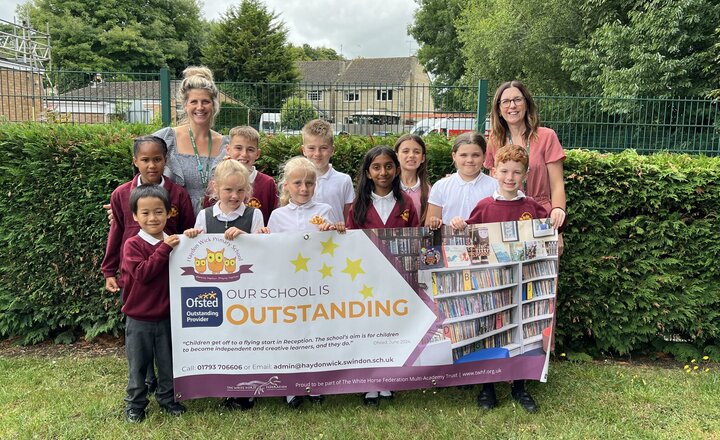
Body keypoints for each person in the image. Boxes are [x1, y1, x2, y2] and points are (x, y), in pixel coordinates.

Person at [453, 144, 565, 414]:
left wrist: (556, 216)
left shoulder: (532, 207)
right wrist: (460, 225)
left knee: (522, 332)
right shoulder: (484, 206)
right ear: (494, 171)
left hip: (523, 284)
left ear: (525, 174)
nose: (510, 177)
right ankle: (487, 386)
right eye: (504, 171)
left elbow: (548, 229)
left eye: (517, 172)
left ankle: (520, 386)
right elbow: (471, 237)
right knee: (490, 332)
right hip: (492, 286)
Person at [101, 135, 194, 395]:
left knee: (164, 335)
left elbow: (188, 232)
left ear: (166, 161)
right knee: (140, 333)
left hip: (168, 278)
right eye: (145, 160)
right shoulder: (121, 194)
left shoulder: (178, 194)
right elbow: (116, 232)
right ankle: (146, 382)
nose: (152, 165)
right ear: (135, 161)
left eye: (157, 159)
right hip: (136, 275)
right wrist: (109, 269)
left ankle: (165, 387)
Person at [263, 156, 344, 408]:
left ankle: (316, 383)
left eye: (309, 183)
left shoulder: (324, 212)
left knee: (316, 332)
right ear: (286, 185)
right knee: (291, 333)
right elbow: (269, 251)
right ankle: (291, 386)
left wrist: (337, 231)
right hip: (288, 286)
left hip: (317, 284)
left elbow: (335, 246)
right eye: (297, 182)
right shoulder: (277, 215)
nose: (304, 188)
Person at [184, 159, 263, 411]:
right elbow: (194, 253)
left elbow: (263, 251)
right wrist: (190, 238)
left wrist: (247, 239)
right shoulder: (204, 216)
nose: (235, 195)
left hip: (247, 291)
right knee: (223, 340)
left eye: (241, 190)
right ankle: (225, 387)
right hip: (217, 292)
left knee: (246, 340)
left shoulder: (254, 214)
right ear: (215, 189)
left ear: (248, 191)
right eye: (228, 190)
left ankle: (247, 392)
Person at [346, 146, 418, 405]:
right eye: (376, 167)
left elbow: (414, 238)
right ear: (368, 172)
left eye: (388, 166)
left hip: (397, 280)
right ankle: (369, 383)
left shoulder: (406, 203)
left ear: (397, 169)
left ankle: (387, 380)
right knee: (369, 329)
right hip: (367, 281)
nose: (383, 172)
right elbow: (350, 244)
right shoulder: (358, 206)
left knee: (391, 329)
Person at [120, 184, 187, 423]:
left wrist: (189, 240)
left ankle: (168, 399)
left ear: (168, 213)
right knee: (138, 367)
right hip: (139, 319)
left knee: (169, 363)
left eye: (159, 211)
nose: (152, 218)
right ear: (135, 216)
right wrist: (164, 249)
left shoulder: (176, 242)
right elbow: (142, 274)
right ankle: (135, 405)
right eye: (145, 213)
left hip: (168, 317)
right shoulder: (132, 245)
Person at [485, 80, 567, 253]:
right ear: (499, 108)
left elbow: (557, 185)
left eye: (517, 100)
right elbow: (490, 184)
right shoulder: (494, 140)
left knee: (541, 278)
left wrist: (557, 228)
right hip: (505, 218)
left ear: (527, 104)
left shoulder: (547, 136)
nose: (512, 106)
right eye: (506, 101)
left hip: (541, 217)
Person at [154, 66, 228, 215]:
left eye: (205, 101)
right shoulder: (166, 139)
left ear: (213, 105)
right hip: (172, 219)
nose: (200, 107)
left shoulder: (226, 145)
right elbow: (141, 175)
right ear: (185, 105)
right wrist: (125, 205)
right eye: (194, 101)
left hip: (214, 222)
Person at [425, 132, 497, 228]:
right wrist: (434, 223)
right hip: (450, 242)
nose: (469, 160)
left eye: (475, 155)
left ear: (484, 156)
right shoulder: (441, 186)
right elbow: (429, 224)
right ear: (454, 156)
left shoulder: (495, 186)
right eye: (463, 155)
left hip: (484, 240)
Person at [211, 125, 278, 225]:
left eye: (250, 149)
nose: (244, 154)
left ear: (258, 153)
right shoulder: (218, 181)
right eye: (238, 148)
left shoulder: (267, 183)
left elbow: (274, 219)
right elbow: (209, 217)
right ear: (228, 149)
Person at [301, 119, 354, 223]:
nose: (317, 154)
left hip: (335, 238)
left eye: (323, 148)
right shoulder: (297, 181)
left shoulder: (344, 180)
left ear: (332, 149)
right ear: (303, 150)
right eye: (311, 148)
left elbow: (348, 219)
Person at [394, 134, 431, 224]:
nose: (411, 155)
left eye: (417, 152)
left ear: (423, 158)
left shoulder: (429, 191)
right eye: (405, 151)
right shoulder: (388, 188)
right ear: (397, 156)